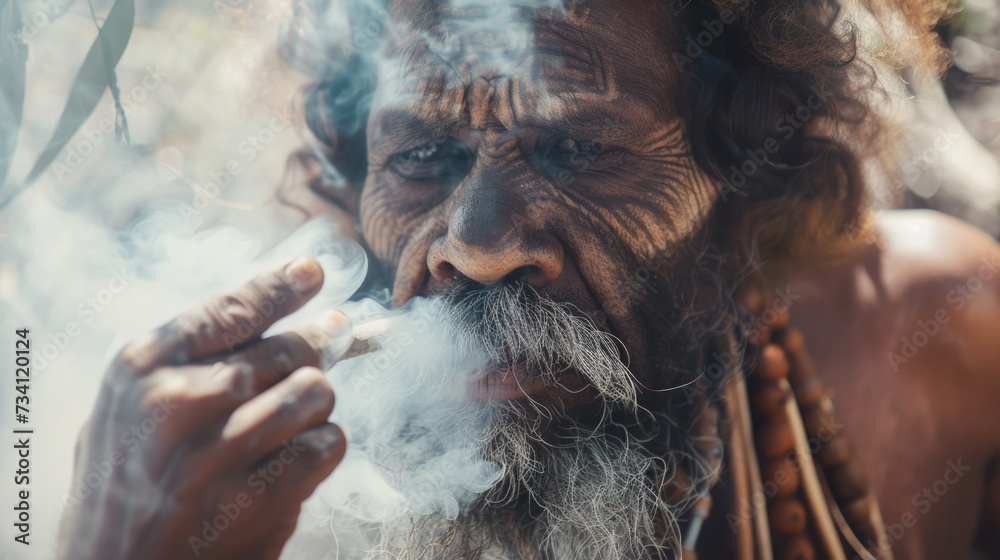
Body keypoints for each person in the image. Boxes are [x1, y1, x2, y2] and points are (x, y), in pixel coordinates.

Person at [59, 0, 1000, 558]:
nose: (476, 247)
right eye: (422, 155)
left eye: (579, 147)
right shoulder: (248, 493)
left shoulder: (938, 328)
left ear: (745, 159)